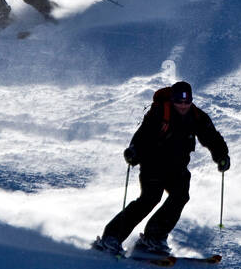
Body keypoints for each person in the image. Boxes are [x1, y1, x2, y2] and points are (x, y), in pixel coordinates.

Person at [93, 81, 230, 258]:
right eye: (178, 102)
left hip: (177, 167)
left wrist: (222, 156)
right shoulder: (160, 113)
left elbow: (212, 137)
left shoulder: (197, 117)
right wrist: (134, 151)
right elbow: (143, 135)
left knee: (180, 195)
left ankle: (154, 237)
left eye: (186, 101)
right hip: (153, 164)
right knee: (150, 199)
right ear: (172, 100)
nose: (183, 105)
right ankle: (111, 237)